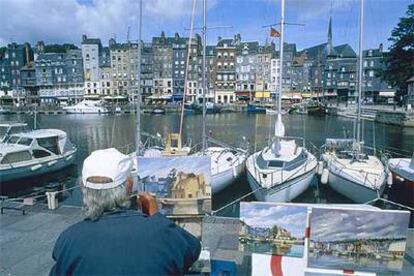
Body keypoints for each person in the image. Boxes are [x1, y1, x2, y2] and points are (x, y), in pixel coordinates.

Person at [50, 148, 201, 275]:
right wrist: (156, 217)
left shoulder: (69, 239)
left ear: (83, 187)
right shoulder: (162, 232)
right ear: (129, 186)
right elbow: (193, 250)